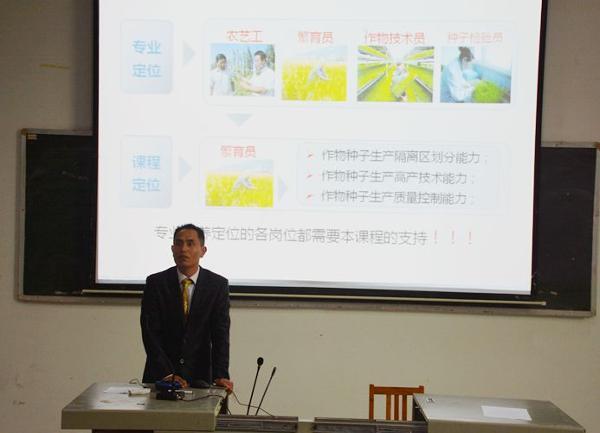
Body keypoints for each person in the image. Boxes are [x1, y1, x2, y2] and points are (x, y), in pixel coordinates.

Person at [140, 223, 233, 394]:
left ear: (203, 250)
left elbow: (220, 334)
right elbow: (150, 333)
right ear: (172, 249)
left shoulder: (217, 285)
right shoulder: (156, 283)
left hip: (201, 377)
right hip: (161, 376)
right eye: (179, 243)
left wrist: (221, 375)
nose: (183, 249)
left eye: (190, 243)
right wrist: (166, 373)